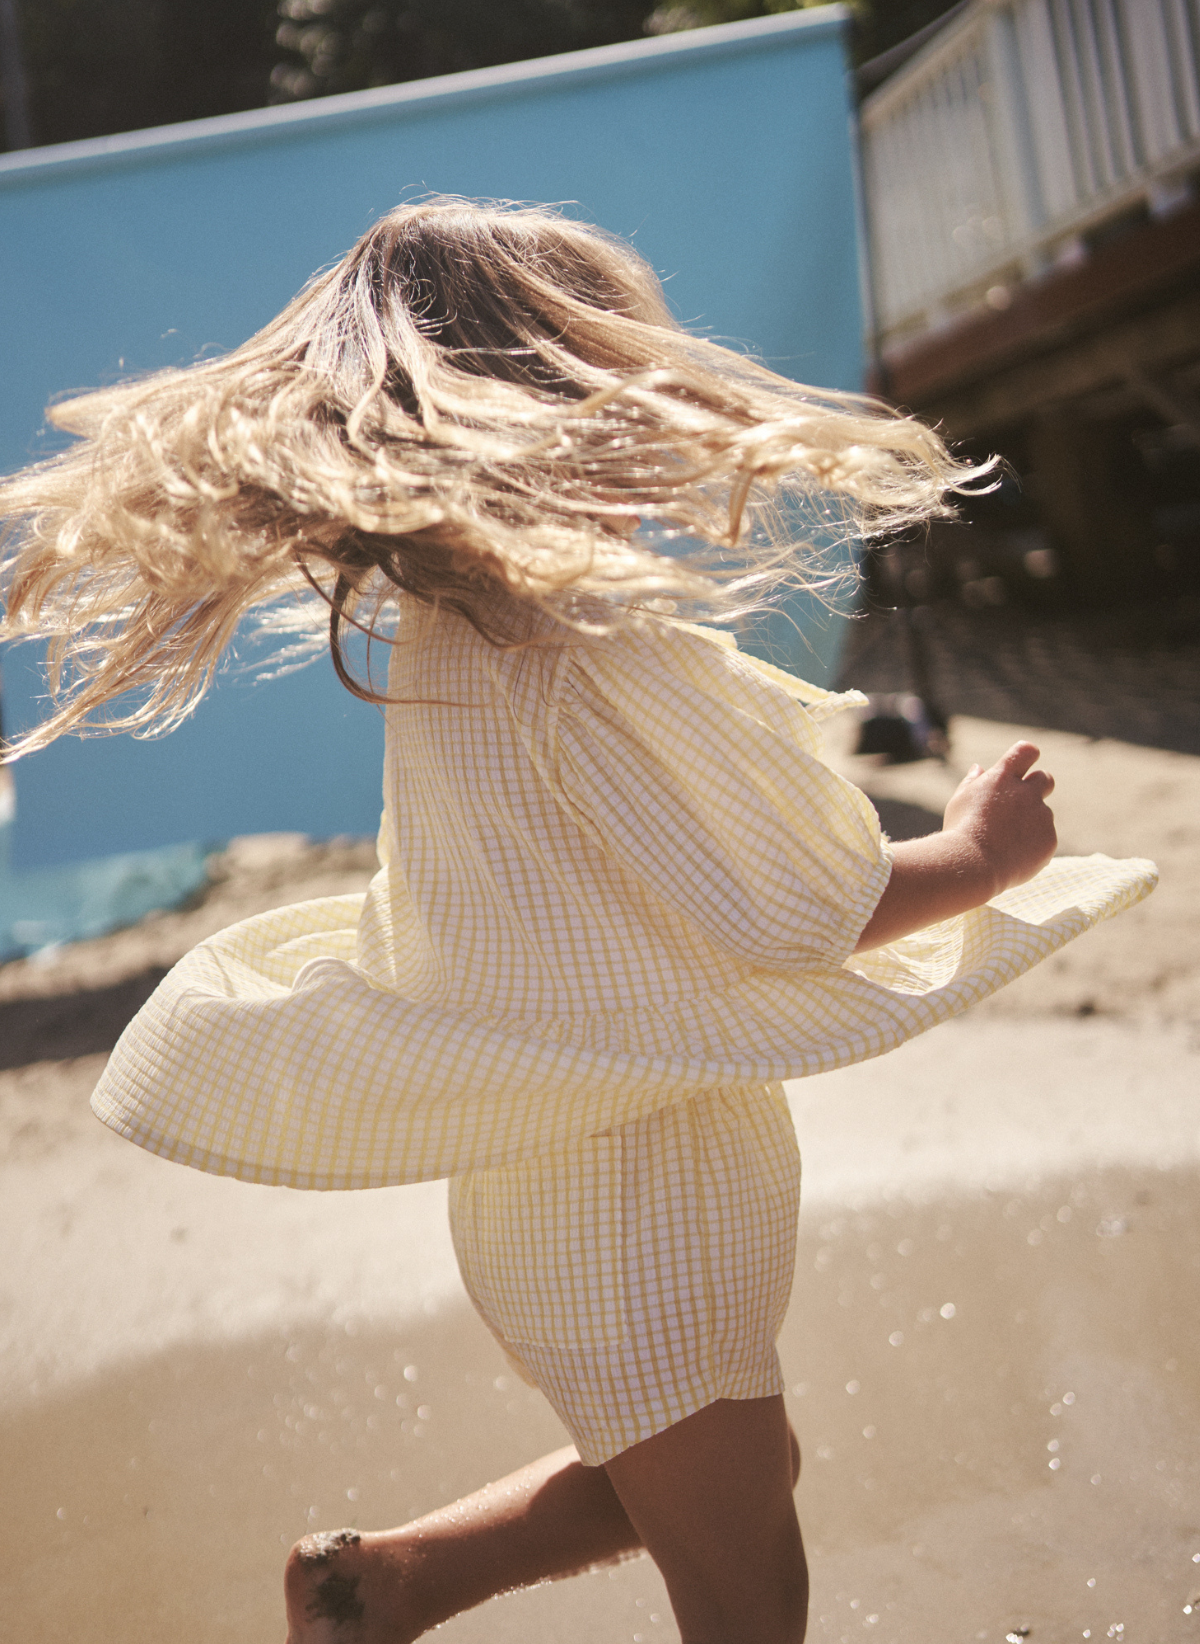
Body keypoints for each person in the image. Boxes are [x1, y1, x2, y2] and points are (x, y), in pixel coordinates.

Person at [0, 198, 1154, 1644]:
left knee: (738, 1477)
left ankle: (387, 1585)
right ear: (561, 414)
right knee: (753, 1597)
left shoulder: (454, 647)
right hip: (635, 1204)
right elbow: (786, 908)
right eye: (636, 378)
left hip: (559, 1191)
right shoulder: (589, 647)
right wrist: (977, 856)